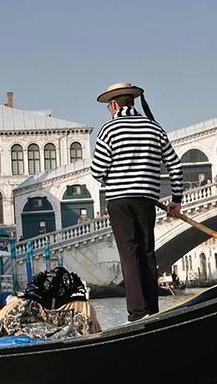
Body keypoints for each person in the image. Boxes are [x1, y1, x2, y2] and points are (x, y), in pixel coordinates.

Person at [90, 82, 183, 322]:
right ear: (132, 102)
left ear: (113, 105)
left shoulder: (109, 130)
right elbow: (174, 164)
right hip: (146, 200)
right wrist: (176, 199)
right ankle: (153, 309)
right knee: (147, 253)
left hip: (120, 201)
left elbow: (97, 170)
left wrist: (118, 172)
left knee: (129, 255)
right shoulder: (153, 128)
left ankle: (137, 313)